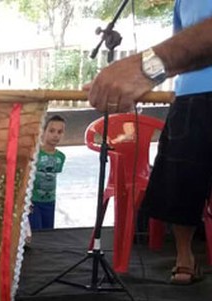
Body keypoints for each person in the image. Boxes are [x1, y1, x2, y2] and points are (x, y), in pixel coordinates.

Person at [86, 4, 212, 284]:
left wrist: (145, 68)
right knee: (181, 180)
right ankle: (184, 258)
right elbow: (187, 51)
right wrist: (143, 79)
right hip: (190, 95)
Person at [29, 115, 66, 230]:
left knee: (48, 232)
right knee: (36, 232)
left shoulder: (61, 157)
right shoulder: (34, 154)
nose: (55, 135)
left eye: (60, 132)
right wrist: (27, 201)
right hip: (33, 202)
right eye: (51, 131)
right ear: (43, 131)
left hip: (49, 202)